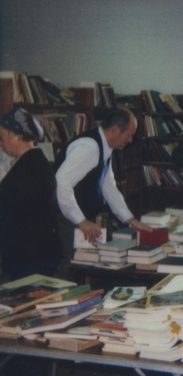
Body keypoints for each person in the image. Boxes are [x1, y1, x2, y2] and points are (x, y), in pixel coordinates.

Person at [54, 108, 151, 271]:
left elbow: (108, 187)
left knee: (86, 266)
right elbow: (62, 182)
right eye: (129, 134)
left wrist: (131, 221)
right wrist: (81, 221)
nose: (130, 139)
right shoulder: (89, 147)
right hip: (66, 219)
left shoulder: (105, 147)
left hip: (77, 219)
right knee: (73, 268)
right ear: (115, 130)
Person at [0, 107, 62, 280]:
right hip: (37, 252)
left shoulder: (28, 167)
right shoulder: (34, 161)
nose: (1, 142)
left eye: (2, 136)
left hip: (30, 255)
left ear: (17, 135)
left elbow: (12, 209)